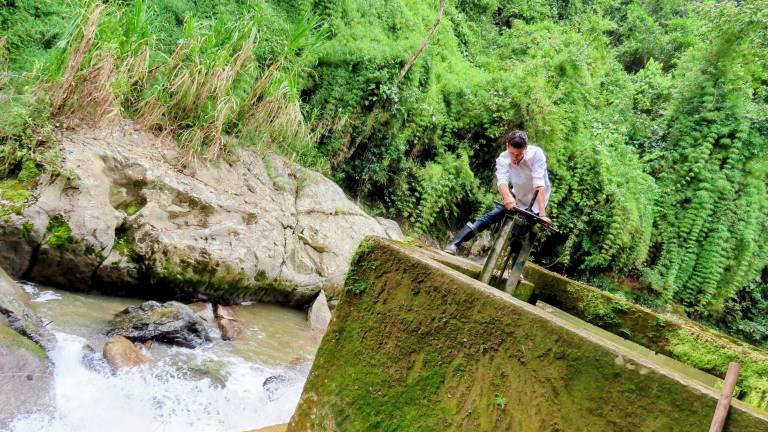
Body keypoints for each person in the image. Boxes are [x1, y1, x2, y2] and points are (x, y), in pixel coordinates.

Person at [444, 130, 551, 255]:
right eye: (512, 153)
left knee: (518, 233)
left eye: (519, 154)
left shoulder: (537, 154)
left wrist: (542, 214)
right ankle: (454, 243)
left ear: (525, 148)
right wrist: (508, 198)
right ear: (507, 146)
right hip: (517, 195)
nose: (515, 157)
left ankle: (514, 270)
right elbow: (502, 181)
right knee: (492, 215)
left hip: (536, 201)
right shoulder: (503, 158)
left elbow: (539, 184)